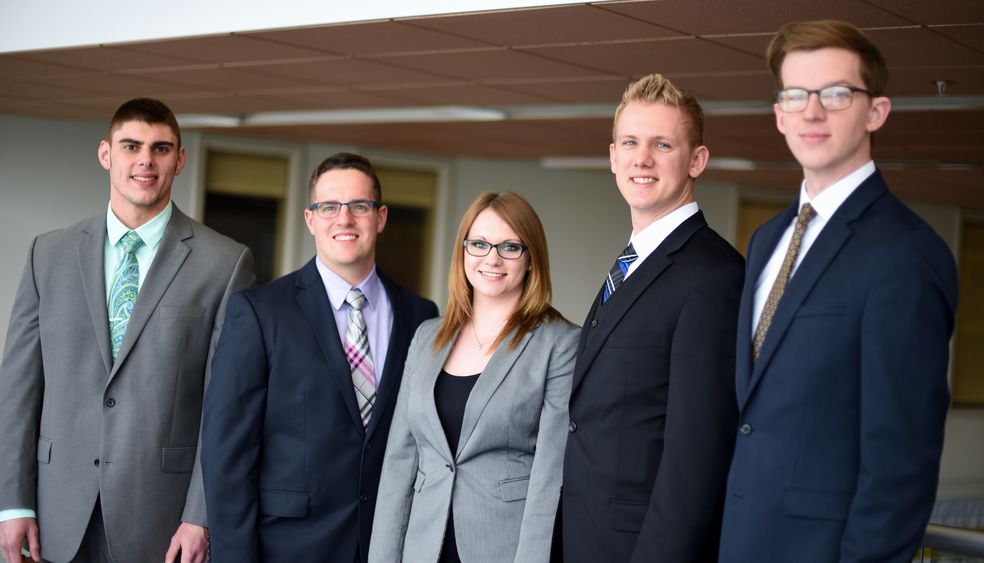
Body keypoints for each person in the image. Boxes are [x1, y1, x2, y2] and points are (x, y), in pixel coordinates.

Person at [718, 20, 959, 563]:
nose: (812, 111)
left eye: (835, 94)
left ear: (876, 111)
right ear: (779, 114)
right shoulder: (767, 240)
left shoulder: (906, 254)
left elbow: (899, 463)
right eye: (796, 95)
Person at [0, 98, 255, 563]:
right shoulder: (48, 255)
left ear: (179, 159)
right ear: (106, 154)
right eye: (131, 146)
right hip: (56, 511)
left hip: (161, 520)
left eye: (161, 149)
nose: (145, 160)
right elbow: (18, 388)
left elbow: (226, 406)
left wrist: (201, 515)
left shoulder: (225, 263)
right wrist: (13, 501)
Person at [201, 152, 438, 563]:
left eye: (359, 207)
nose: (343, 220)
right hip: (288, 547)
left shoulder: (422, 317)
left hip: (390, 546)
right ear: (311, 219)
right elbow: (227, 456)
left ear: (380, 217)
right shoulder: (259, 313)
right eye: (329, 207)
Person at [561, 74, 744, 563]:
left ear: (696, 160)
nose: (642, 159)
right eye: (630, 143)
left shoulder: (713, 276)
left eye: (662, 144)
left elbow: (696, 460)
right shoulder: (634, 260)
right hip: (587, 539)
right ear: (613, 157)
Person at [368, 192, 578, 563]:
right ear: (463, 251)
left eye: (510, 247)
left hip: (502, 546)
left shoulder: (558, 343)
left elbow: (550, 478)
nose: (492, 258)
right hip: (422, 546)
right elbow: (400, 462)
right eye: (479, 244)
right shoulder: (427, 337)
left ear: (532, 259)